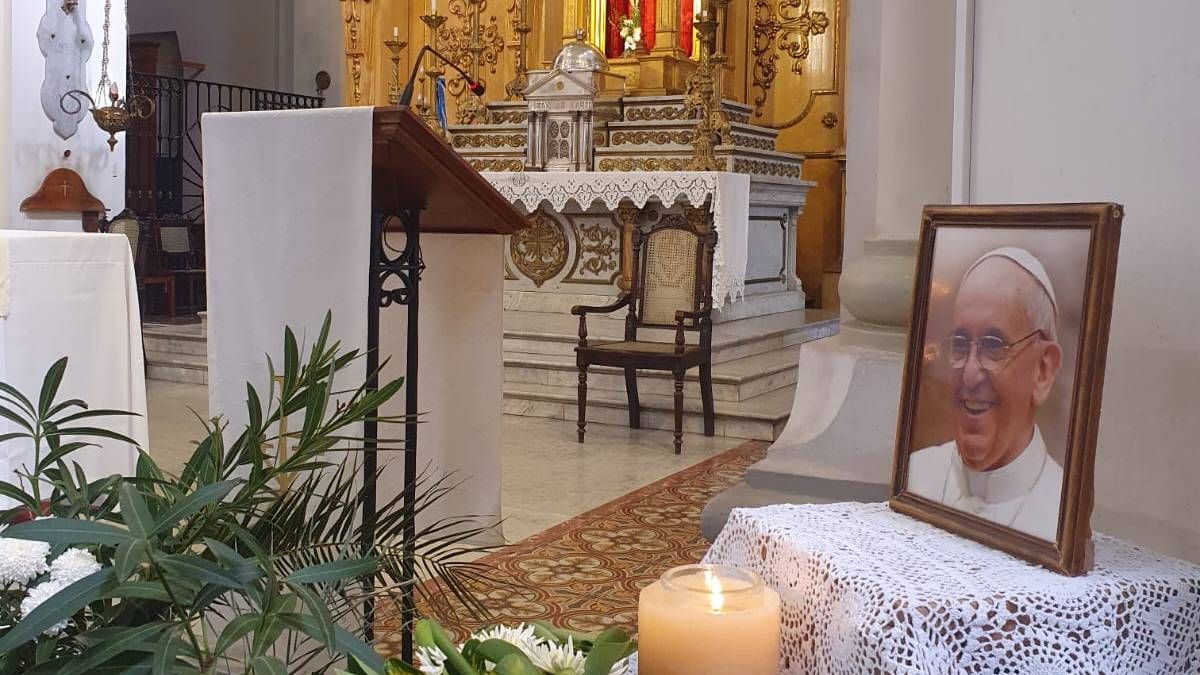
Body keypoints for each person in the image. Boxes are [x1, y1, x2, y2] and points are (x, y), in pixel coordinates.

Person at [908, 247, 1065, 541]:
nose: (969, 374)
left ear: (1042, 371)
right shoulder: (916, 475)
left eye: (994, 346)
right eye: (960, 343)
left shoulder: (1061, 508)